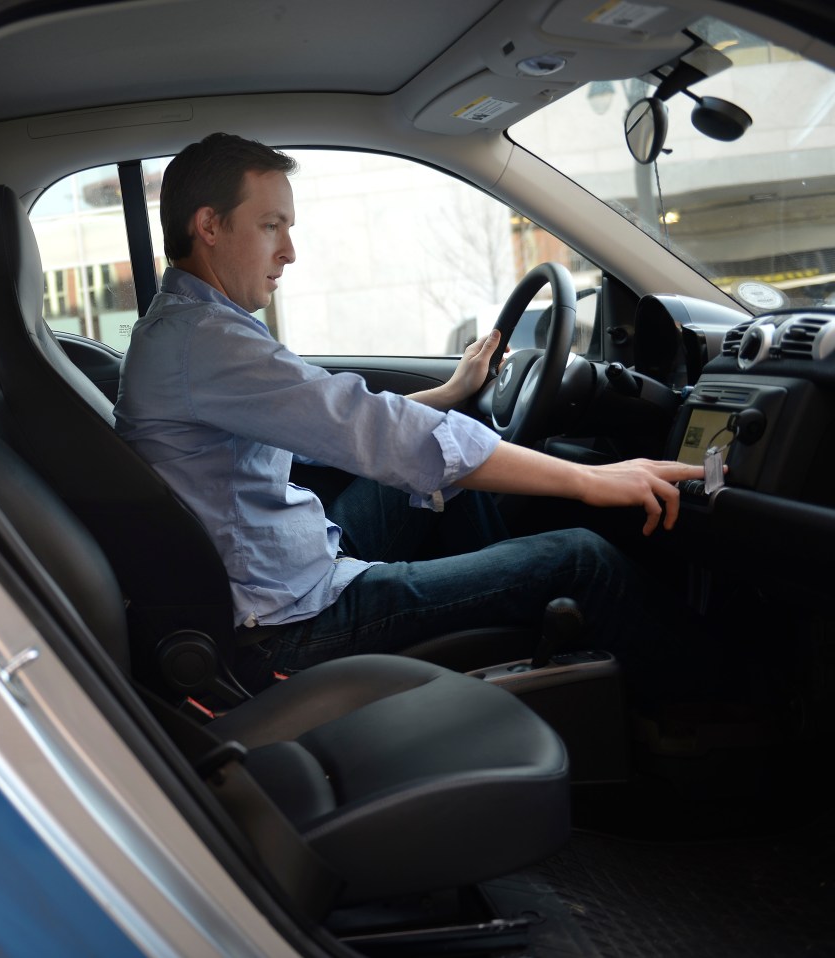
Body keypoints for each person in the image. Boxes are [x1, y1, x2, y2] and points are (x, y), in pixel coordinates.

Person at [113, 132, 705, 693]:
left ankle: (502, 620)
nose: (289, 252)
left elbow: (326, 428)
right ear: (209, 226)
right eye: (271, 226)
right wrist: (589, 478)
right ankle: (697, 717)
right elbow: (368, 428)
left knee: (452, 482)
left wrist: (448, 395)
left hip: (288, 569)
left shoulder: (190, 329)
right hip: (285, 626)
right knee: (580, 559)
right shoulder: (206, 341)